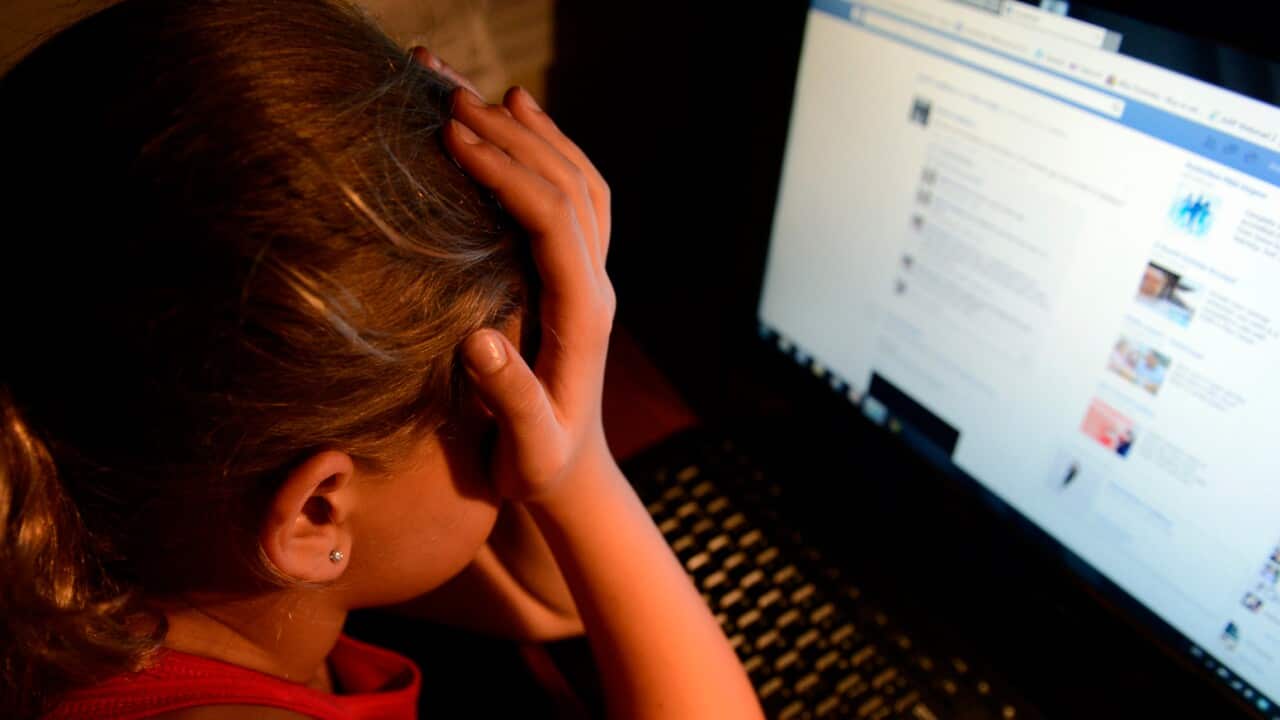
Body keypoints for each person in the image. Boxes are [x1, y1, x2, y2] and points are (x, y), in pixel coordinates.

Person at [0, 1, 763, 718]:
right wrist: (584, 465)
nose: (533, 421)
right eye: (496, 407)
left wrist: (565, 469)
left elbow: (549, 601)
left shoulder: (139, 545)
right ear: (317, 511)